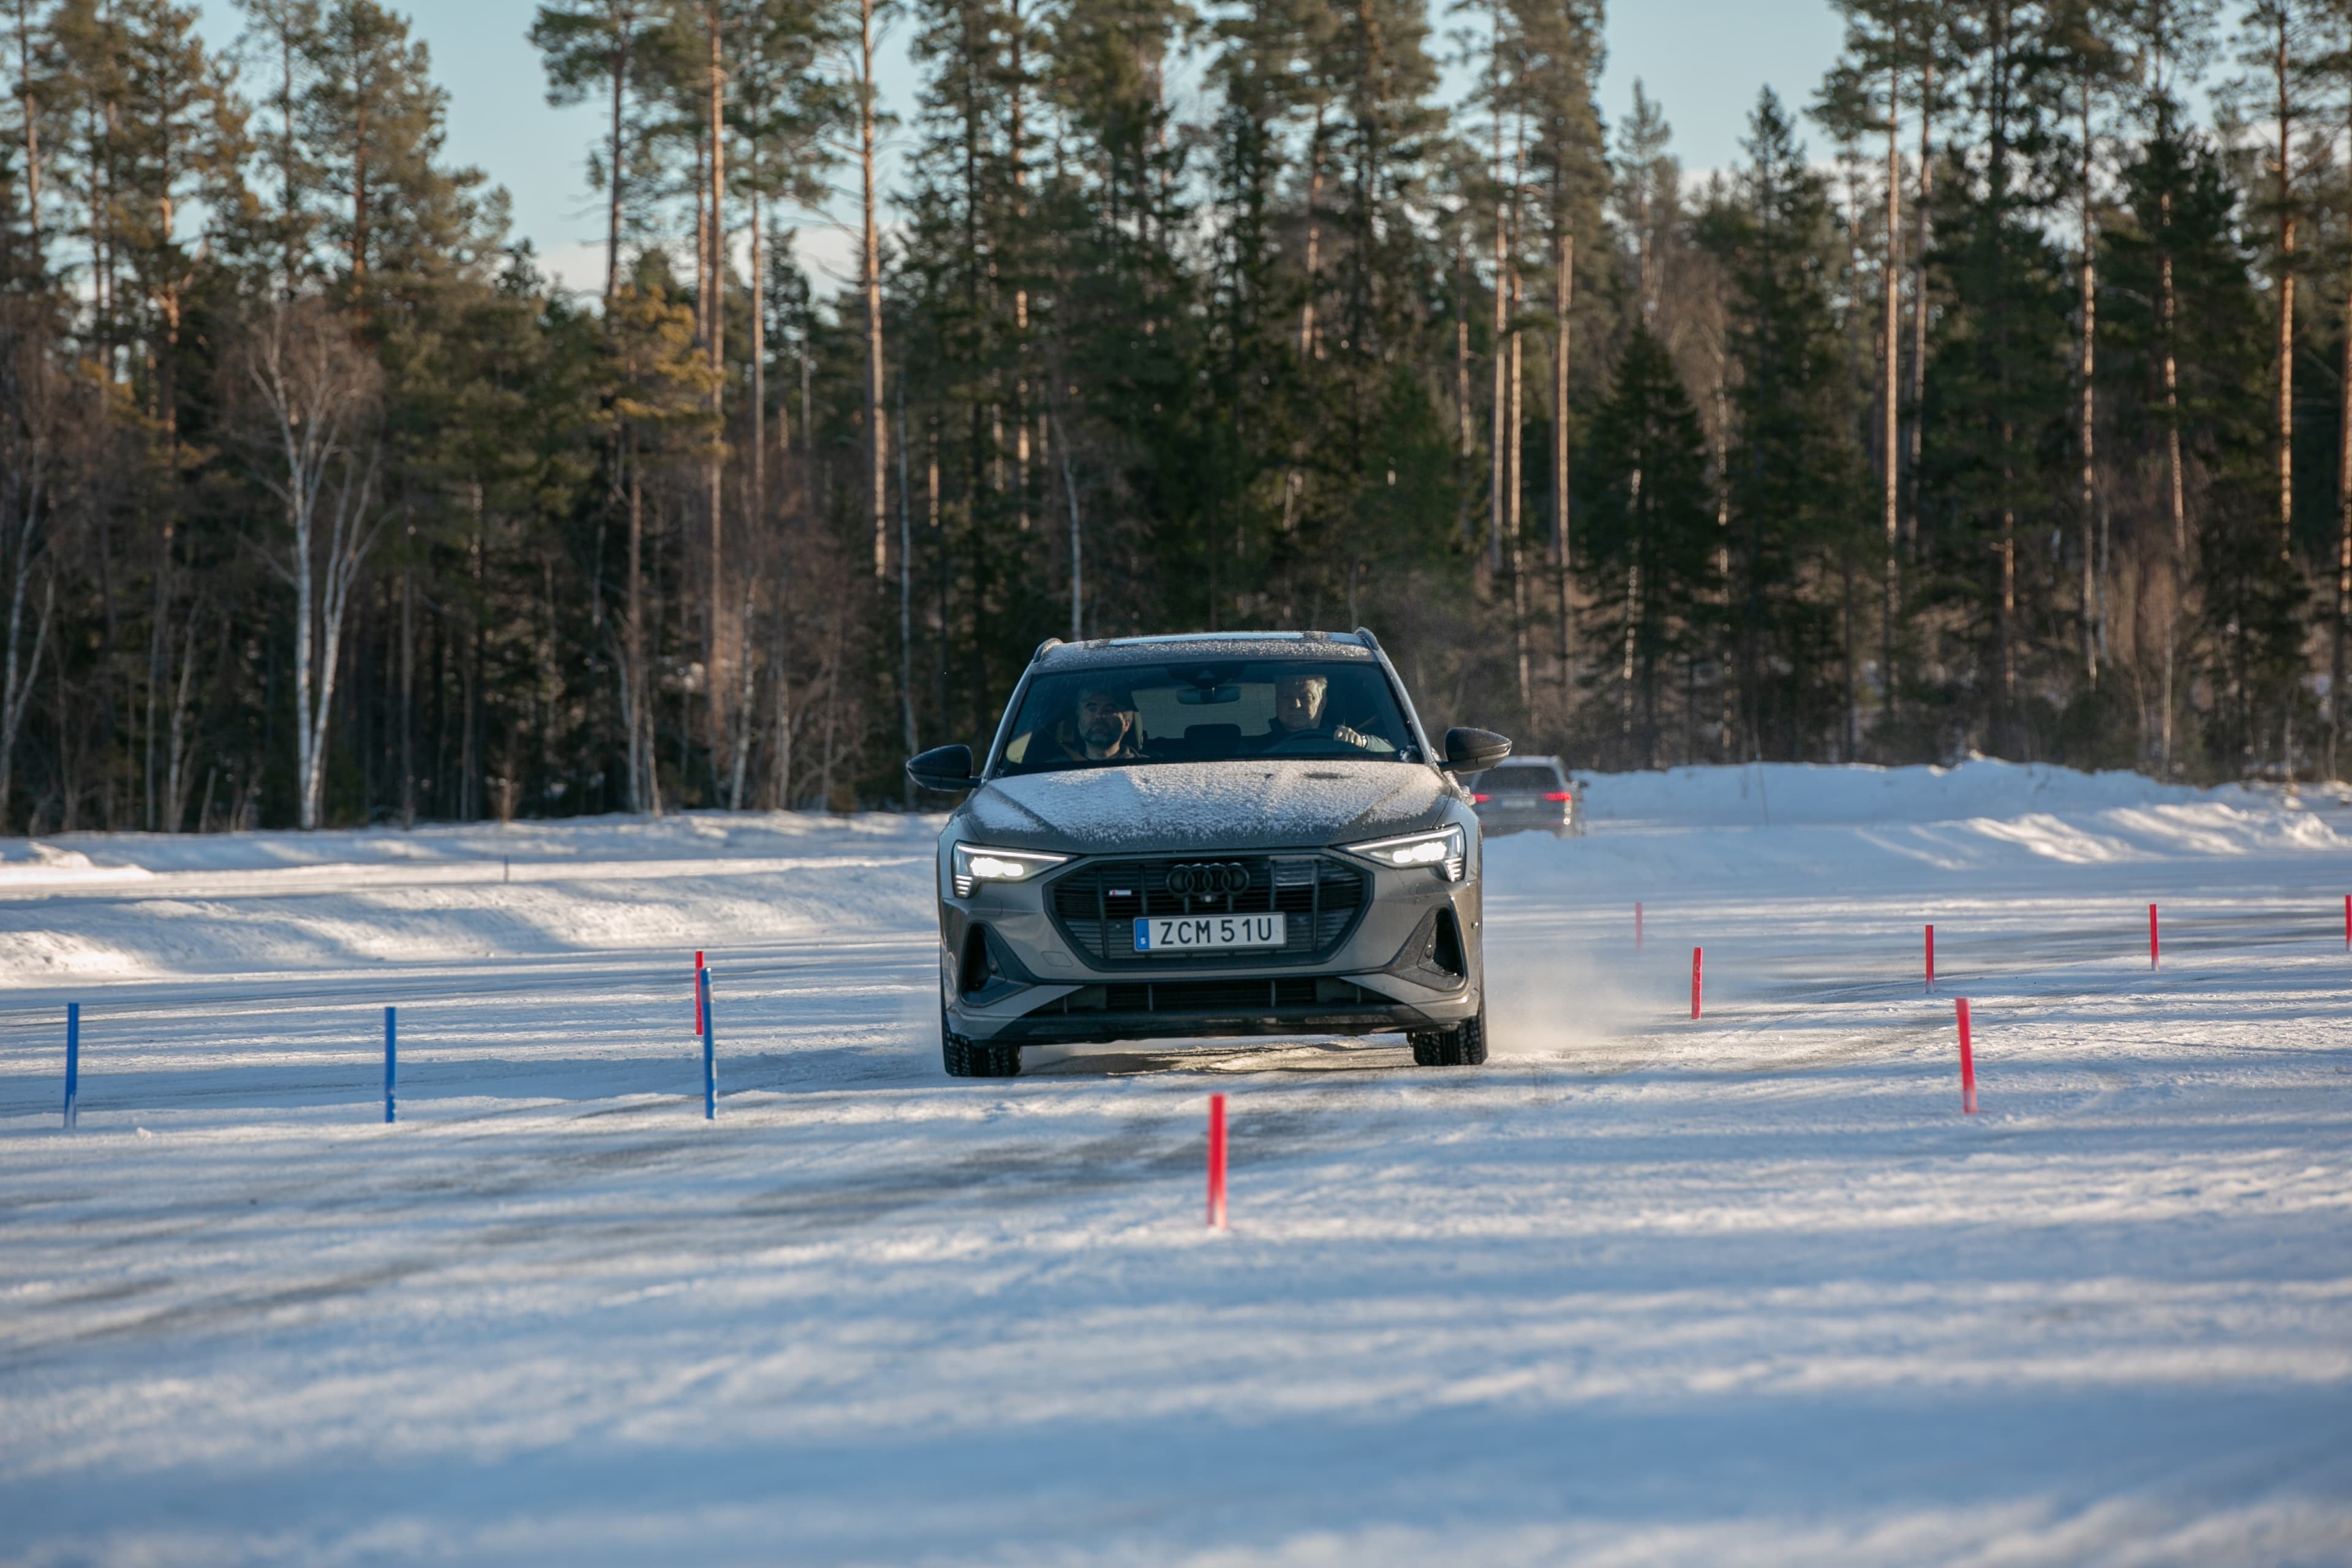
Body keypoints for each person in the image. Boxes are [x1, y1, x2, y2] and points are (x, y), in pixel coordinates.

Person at [1263, 670, 1382, 752]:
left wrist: (1363, 742)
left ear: (1322, 703)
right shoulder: (1252, 750)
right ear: (1276, 701)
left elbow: (1394, 751)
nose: (1296, 705)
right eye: (1286, 697)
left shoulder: (1343, 742)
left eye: (1306, 697)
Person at [1055, 684, 1144, 761]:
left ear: (1126, 724)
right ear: (1079, 721)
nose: (1099, 716)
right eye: (1092, 709)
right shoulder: (1053, 771)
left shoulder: (1148, 769)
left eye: (1109, 710)